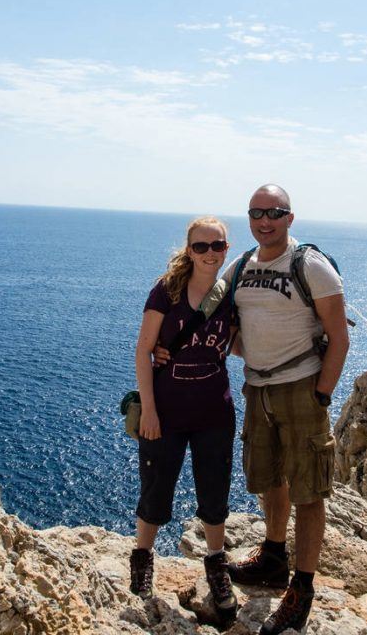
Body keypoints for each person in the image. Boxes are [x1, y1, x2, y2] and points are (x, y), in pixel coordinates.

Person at [225, 184, 349, 635]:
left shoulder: (309, 265)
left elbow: (339, 336)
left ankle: (303, 587)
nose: (264, 220)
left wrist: (322, 393)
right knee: (270, 476)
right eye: (256, 212)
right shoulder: (242, 266)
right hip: (257, 389)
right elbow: (224, 321)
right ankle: (274, 557)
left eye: (274, 213)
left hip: (301, 388)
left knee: (308, 489)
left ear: (289, 218)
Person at [129, 216, 238, 622]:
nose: (210, 253)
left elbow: (240, 343)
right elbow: (143, 350)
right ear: (189, 250)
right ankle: (142, 562)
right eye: (201, 246)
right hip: (167, 412)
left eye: (218, 246)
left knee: (215, 493)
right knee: (156, 487)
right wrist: (150, 410)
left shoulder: (230, 294)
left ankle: (216, 567)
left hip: (214, 411)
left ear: (227, 249)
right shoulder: (167, 291)